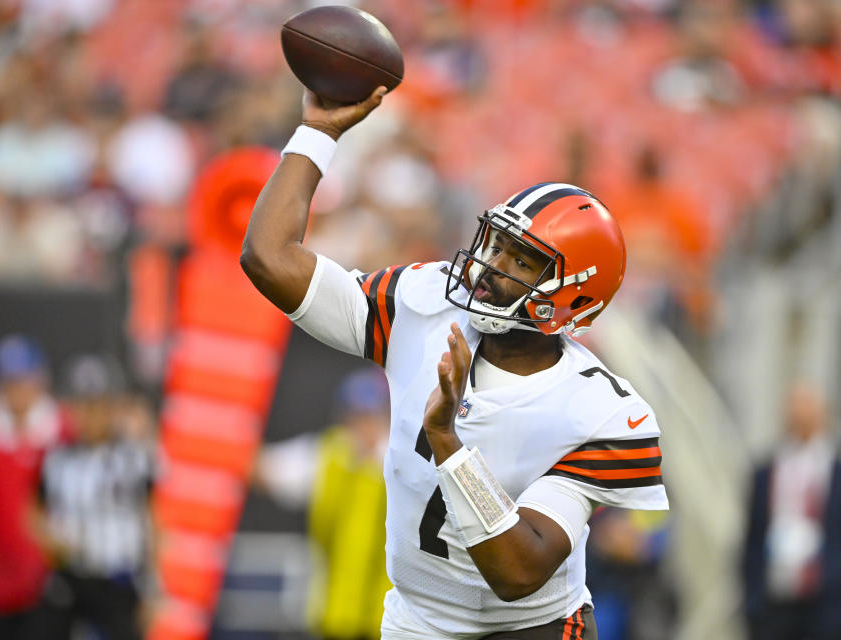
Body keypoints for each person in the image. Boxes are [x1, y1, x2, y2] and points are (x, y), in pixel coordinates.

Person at [240, 87, 669, 639]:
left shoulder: (600, 411)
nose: (491, 267)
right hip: (414, 622)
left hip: (530, 629)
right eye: (497, 245)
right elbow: (268, 257)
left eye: (523, 261)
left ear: (573, 298)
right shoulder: (424, 304)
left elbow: (519, 573)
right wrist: (319, 132)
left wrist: (447, 440)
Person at [256, 366, 392, 640]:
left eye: (371, 417)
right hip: (333, 618)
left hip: (387, 621)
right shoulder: (327, 456)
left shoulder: (400, 461)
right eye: (356, 417)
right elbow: (266, 470)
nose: (363, 427)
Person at [741, 381, 841, 640]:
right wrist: (753, 602)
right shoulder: (765, 473)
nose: (798, 415)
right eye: (794, 407)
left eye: (807, 407)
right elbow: (751, 540)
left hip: (828, 607)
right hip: (775, 604)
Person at [0, 335, 73, 640]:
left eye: (23, 381)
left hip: (57, 588)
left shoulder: (67, 432)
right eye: (10, 382)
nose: (18, 392)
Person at [39, 353, 155, 640]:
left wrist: (154, 587)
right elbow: (33, 511)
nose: (89, 415)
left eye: (98, 406)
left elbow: (155, 518)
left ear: (113, 408)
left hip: (118, 578)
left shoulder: (135, 458)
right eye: (82, 406)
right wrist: (50, 539)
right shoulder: (56, 460)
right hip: (71, 576)